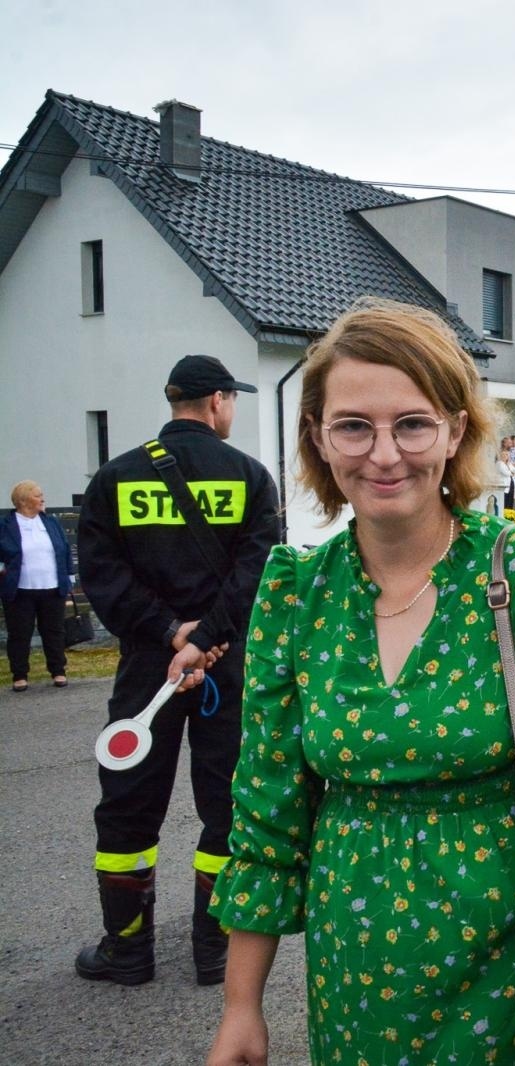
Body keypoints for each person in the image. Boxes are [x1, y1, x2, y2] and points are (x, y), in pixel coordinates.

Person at [205, 299, 515, 1066]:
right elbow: (267, 814)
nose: (384, 454)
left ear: (456, 432)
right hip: (353, 973)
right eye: (354, 425)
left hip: (507, 966)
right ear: (319, 438)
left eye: (413, 425)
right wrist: (240, 1008)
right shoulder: (296, 590)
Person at [74, 354, 280, 987]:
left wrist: (169, 634)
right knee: (226, 804)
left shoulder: (115, 478)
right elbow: (259, 572)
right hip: (225, 668)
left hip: (148, 665)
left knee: (129, 806)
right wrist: (209, 638)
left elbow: (102, 576)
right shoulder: (249, 475)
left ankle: (127, 949)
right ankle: (213, 949)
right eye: (233, 400)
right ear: (217, 401)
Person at [2, 480, 73, 691]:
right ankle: (20, 675)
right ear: (23, 500)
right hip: (20, 589)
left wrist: (69, 576)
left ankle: (58, 671)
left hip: (51, 587)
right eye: (37, 495)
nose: (42, 499)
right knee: (19, 633)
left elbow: (65, 549)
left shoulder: (50, 522)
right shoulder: (6, 525)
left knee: (54, 631)